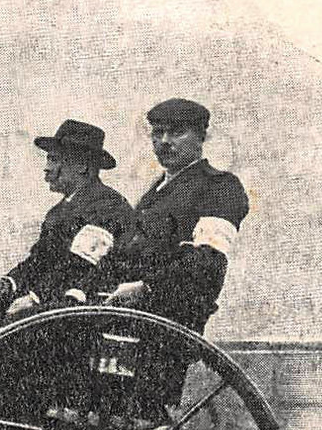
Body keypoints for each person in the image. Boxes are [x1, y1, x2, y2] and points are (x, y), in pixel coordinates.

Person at [0, 119, 134, 347]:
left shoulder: (107, 205)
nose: (47, 168)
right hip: (53, 302)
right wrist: (9, 283)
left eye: (54, 159)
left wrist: (35, 298)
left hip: (84, 309)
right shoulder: (59, 212)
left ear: (82, 165)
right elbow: (38, 261)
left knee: (19, 325)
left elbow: (79, 266)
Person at [85, 97, 249, 335]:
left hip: (167, 323)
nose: (164, 142)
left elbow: (207, 261)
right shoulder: (155, 193)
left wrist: (147, 287)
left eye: (177, 133)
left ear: (201, 137)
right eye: (158, 133)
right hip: (125, 316)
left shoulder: (219, 186)